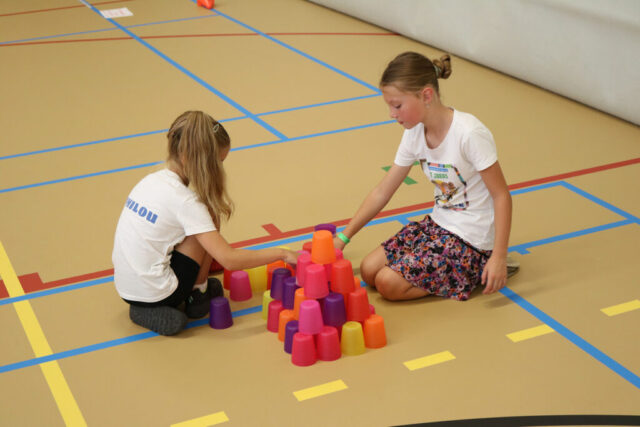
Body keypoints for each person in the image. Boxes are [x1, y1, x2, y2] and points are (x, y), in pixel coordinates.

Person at [334, 52, 518, 302]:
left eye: (397, 105)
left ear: (427, 96)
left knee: (387, 283)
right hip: (438, 225)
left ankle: (476, 268)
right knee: (369, 270)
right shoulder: (414, 133)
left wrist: (498, 256)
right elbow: (382, 191)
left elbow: (501, 196)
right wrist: (343, 238)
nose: (391, 114)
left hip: (471, 239)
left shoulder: (469, 133)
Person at [112, 111, 298, 335]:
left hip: (126, 285)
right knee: (209, 215)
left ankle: (150, 301)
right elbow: (230, 260)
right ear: (201, 162)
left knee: (200, 222)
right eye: (219, 162)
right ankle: (197, 295)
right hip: (156, 292)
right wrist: (282, 254)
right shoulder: (186, 203)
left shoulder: (150, 180)